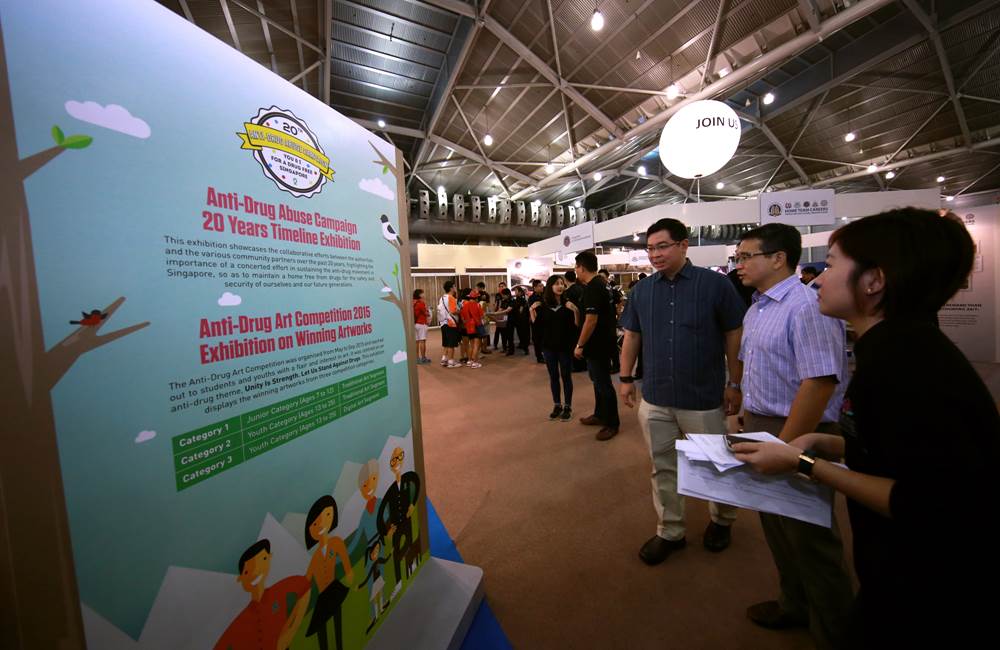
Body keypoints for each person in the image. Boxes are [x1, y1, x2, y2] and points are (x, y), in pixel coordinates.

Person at [733, 208, 1000, 647]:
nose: (818, 278)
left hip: (927, 580)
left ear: (874, 281)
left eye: (833, 264)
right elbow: (892, 451)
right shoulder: (893, 349)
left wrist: (801, 457)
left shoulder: (907, 365)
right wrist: (829, 443)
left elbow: (926, 501)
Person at [733, 224, 854, 648]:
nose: (739, 263)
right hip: (765, 423)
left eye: (746, 256)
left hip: (802, 429)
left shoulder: (805, 305)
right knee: (777, 528)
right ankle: (794, 603)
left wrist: (784, 445)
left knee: (811, 539)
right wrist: (746, 414)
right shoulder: (758, 307)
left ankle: (834, 630)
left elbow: (819, 382)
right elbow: (754, 366)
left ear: (778, 258)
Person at [618, 218, 746, 565]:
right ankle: (670, 531)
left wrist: (735, 383)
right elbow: (632, 335)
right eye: (649, 248)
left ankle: (722, 519)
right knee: (663, 468)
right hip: (656, 398)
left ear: (684, 245)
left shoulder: (715, 285)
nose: (654, 255)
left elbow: (734, 335)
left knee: (715, 463)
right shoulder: (643, 291)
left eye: (662, 246)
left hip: (702, 399)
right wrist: (626, 378)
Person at [215, 539, 310, 650]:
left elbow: (305, 587)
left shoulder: (278, 591)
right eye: (247, 572)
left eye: (263, 559)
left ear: (269, 558)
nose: (255, 572)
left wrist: (289, 631)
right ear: (240, 579)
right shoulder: (243, 618)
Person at [573, 251, 620, 441]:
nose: (575, 270)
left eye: (576, 267)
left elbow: (591, 320)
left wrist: (580, 344)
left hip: (598, 344)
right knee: (598, 382)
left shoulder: (594, 287)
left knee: (603, 384)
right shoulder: (600, 284)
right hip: (602, 342)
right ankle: (600, 414)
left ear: (582, 267)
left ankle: (612, 423)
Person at [303, 496, 354, 650]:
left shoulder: (336, 542)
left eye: (328, 515)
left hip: (334, 588)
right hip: (322, 596)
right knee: (321, 628)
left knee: (337, 621)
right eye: (316, 523)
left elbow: (345, 557)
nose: (322, 524)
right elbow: (306, 580)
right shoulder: (315, 557)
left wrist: (349, 571)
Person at [530, 274, 580, 422]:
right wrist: (531, 311)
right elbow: (537, 327)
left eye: (562, 284)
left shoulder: (568, 305)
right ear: (550, 287)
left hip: (565, 347)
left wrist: (575, 310)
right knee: (553, 377)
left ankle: (568, 406)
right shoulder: (544, 306)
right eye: (556, 284)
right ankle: (557, 405)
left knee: (566, 376)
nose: (560, 286)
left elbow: (576, 327)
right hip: (549, 348)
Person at [377, 447, 422, 593]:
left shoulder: (408, 478)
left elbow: (417, 480)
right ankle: (398, 582)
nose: (396, 462)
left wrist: (412, 503)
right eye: (393, 459)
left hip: (406, 522)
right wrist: (386, 531)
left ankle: (413, 563)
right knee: (396, 553)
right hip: (396, 526)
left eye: (399, 457)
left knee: (409, 541)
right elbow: (380, 514)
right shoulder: (390, 490)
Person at [437, 280, 461, 368]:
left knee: (446, 342)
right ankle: (451, 361)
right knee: (451, 343)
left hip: (443, 322)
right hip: (451, 323)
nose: (455, 288)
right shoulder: (451, 298)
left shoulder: (442, 297)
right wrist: (459, 310)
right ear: (451, 288)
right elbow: (453, 311)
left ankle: (444, 359)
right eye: (454, 286)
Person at [459, 287, 483, 368]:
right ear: (476, 298)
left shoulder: (464, 305)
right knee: (476, 344)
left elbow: (462, 318)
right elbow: (482, 316)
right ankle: (474, 362)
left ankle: (469, 360)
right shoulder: (478, 305)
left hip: (468, 327)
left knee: (471, 344)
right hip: (476, 326)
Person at [528, 279, 545, 363]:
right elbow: (532, 311)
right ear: (534, 288)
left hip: (545, 321)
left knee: (544, 339)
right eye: (540, 286)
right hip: (536, 322)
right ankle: (539, 357)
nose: (542, 287)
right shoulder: (532, 298)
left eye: (542, 285)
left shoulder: (544, 295)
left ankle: (544, 354)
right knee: (537, 340)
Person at [510, 285, 530, 355]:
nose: (515, 292)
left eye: (516, 291)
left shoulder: (522, 300)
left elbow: (521, 311)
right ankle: (523, 346)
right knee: (520, 334)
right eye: (514, 290)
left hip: (522, 320)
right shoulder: (516, 299)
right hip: (518, 320)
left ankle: (526, 349)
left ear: (520, 292)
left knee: (523, 335)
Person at [494, 287, 514, 354]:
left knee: (510, 336)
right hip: (503, 321)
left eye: (503, 295)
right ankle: (504, 348)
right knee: (503, 335)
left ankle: (511, 350)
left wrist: (497, 313)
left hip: (510, 321)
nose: (502, 296)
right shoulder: (503, 301)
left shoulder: (512, 300)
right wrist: (495, 313)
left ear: (507, 294)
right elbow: (500, 309)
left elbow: (508, 310)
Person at [412, 289, 430, 364]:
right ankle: (423, 358)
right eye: (422, 293)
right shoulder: (421, 303)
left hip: (414, 324)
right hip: (421, 323)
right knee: (422, 341)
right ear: (419, 295)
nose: (423, 294)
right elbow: (426, 313)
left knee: (416, 341)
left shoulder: (413, 302)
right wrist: (428, 312)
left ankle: (416, 358)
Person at [475, 281, 492, 354]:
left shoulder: (476, 295)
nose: (477, 288)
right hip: (484, 316)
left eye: (478, 287)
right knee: (484, 334)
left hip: (480, 316)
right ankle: (483, 348)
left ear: (481, 287)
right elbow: (488, 305)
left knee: (482, 334)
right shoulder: (485, 295)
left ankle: (482, 348)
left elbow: (487, 305)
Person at [492, 280, 508, 350]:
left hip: (505, 314)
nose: (501, 288)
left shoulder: (507, 293)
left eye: (502, 286)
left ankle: (505, 345)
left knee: (504, 330)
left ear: (505, 287)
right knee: (497, 330)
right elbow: (496, 304)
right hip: (498, 314)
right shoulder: (497, 295)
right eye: (500, 287)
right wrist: (494, 312)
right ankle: (495, 344)